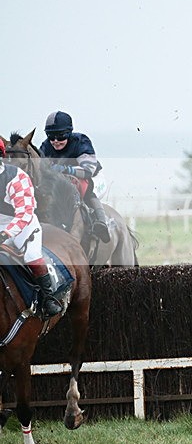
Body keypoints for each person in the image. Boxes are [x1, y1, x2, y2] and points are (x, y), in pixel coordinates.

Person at [0, 140, 62, 317]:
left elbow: (24, 213)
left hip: (23, 225)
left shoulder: (16, 177)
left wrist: (6, 233)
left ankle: (49, 298)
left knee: (32, 257)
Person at [40, 111, 111, 243]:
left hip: (93, 179)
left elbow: (88, 170)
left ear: (68, 133)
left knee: (86, 189)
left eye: (60, 136)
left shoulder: (81, 141)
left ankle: (101, 223)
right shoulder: (45, 146)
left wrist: (66, 169)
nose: (55, 141)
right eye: (51, 135)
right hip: (65, 182)